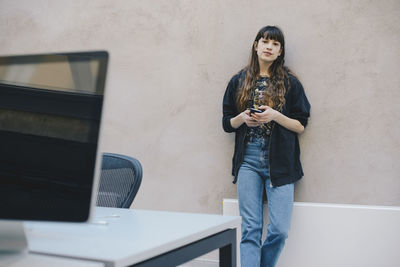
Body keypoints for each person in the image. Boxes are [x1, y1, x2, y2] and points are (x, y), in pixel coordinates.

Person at [222, 25, 311, 267]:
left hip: (280, 162)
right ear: (256, 45)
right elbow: (227, 123)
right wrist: (243, 118)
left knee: (279, 230)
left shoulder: (290, 83)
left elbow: (300, 125)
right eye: (265, 42)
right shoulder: (238, 81)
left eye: (275, 44)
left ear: (281, 51)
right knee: (250, 229)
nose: (269, 47)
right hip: (247, 161)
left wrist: (275, 116)